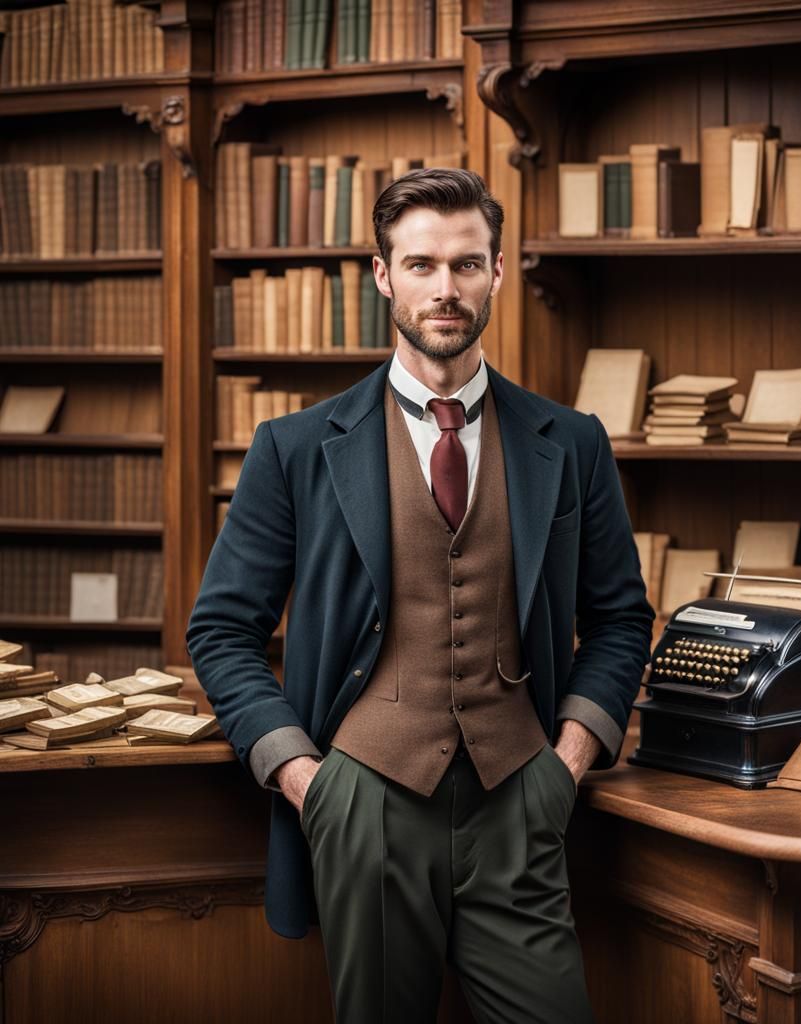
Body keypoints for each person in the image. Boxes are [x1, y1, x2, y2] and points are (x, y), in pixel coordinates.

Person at [186, 168, 654, 1023]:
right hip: (364, 804)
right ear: (382, 274)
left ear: (499, 272)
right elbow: (221, 631)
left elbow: (622, 618)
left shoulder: (572, 443)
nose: (446, 289)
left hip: (522, 799)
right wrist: (305, 780)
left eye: (468, 265)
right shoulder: (294, 448)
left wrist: (570, 763)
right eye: (423, 265)